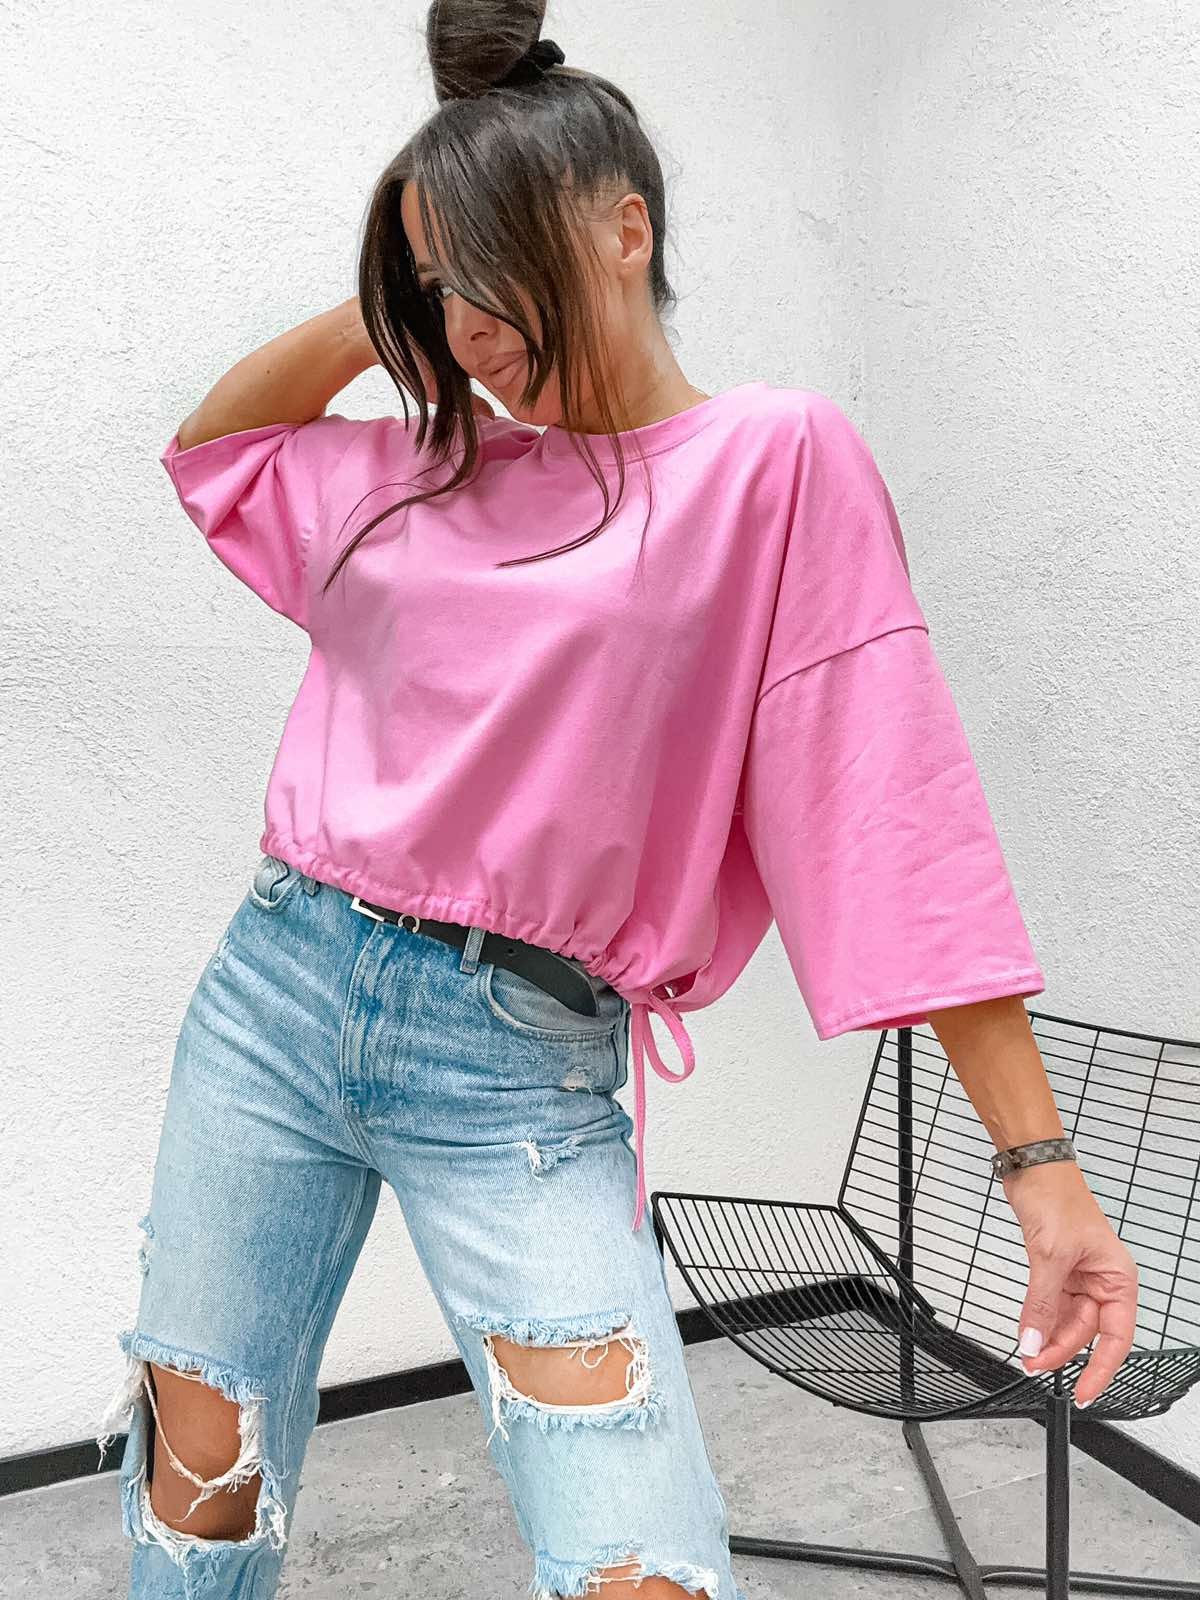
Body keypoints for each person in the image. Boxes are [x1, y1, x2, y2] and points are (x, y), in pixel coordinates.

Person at [95, 7, 1139, 1598]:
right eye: (435, 289)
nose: (465, 329)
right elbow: (220, 452)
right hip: (273, 999)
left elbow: (895, 816)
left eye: (484, 275)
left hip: (514, 1072)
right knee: (202, 1478)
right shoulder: (429, 462)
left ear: (622, 228)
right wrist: (399, 303)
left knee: (634, 1561)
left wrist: (1040, 1168)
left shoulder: (771, 464)